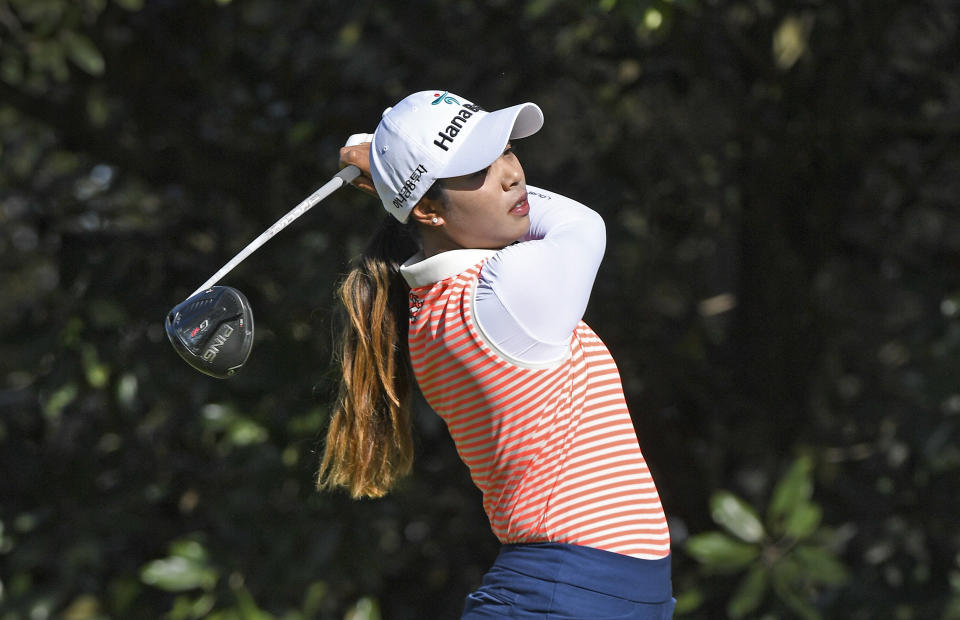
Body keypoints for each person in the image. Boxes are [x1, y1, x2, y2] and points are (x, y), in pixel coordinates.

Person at [318, 90, 674, 619]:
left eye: (506, 150)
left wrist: (397, 181)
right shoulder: (503, 292)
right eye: (477, 169)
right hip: (567, 596)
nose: (512, 174)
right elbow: (583, 224)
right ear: (426, 209)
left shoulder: (430, 308)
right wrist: (385, 172)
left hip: (582, 593)